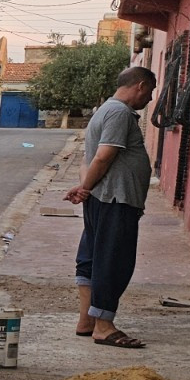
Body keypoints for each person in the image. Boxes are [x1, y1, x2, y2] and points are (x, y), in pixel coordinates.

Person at [64, 66, 157, 348]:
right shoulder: (119, 113)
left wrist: (85, 188)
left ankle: (87, 320)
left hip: (102, 200)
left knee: (92, 257)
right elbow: (103, 157)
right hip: (115, 200)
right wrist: (85, 188)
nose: (150, 100)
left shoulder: (103, 110)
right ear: (140, 86)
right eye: (150, 92)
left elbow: (87, 160)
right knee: (112, 261)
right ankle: (103, 326)